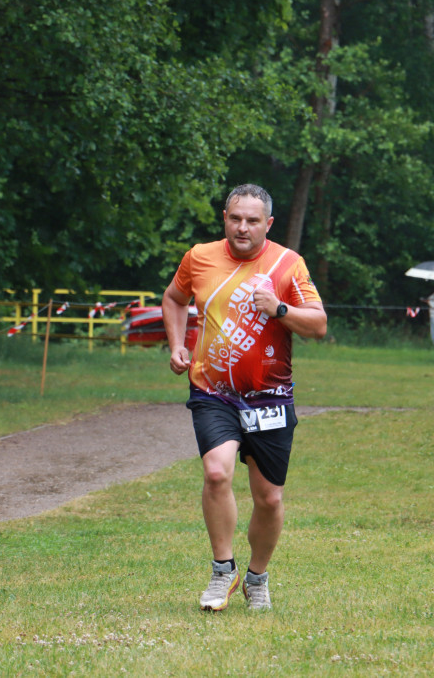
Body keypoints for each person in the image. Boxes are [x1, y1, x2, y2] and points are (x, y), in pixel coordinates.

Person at [162, 184, 327, 611]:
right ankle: (223, 573)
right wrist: (177, 344)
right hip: (212, 391)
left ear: (267, 224)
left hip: (270, 396)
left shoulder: (289, 265)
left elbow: (319, 324)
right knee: (216, 473)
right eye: (236, 218)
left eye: (253, 220)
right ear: (225, 218)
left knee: (268, 497)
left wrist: (279, 309)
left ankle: (257, 577)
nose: (243, 227)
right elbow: (175, 298)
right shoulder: (198, 257)